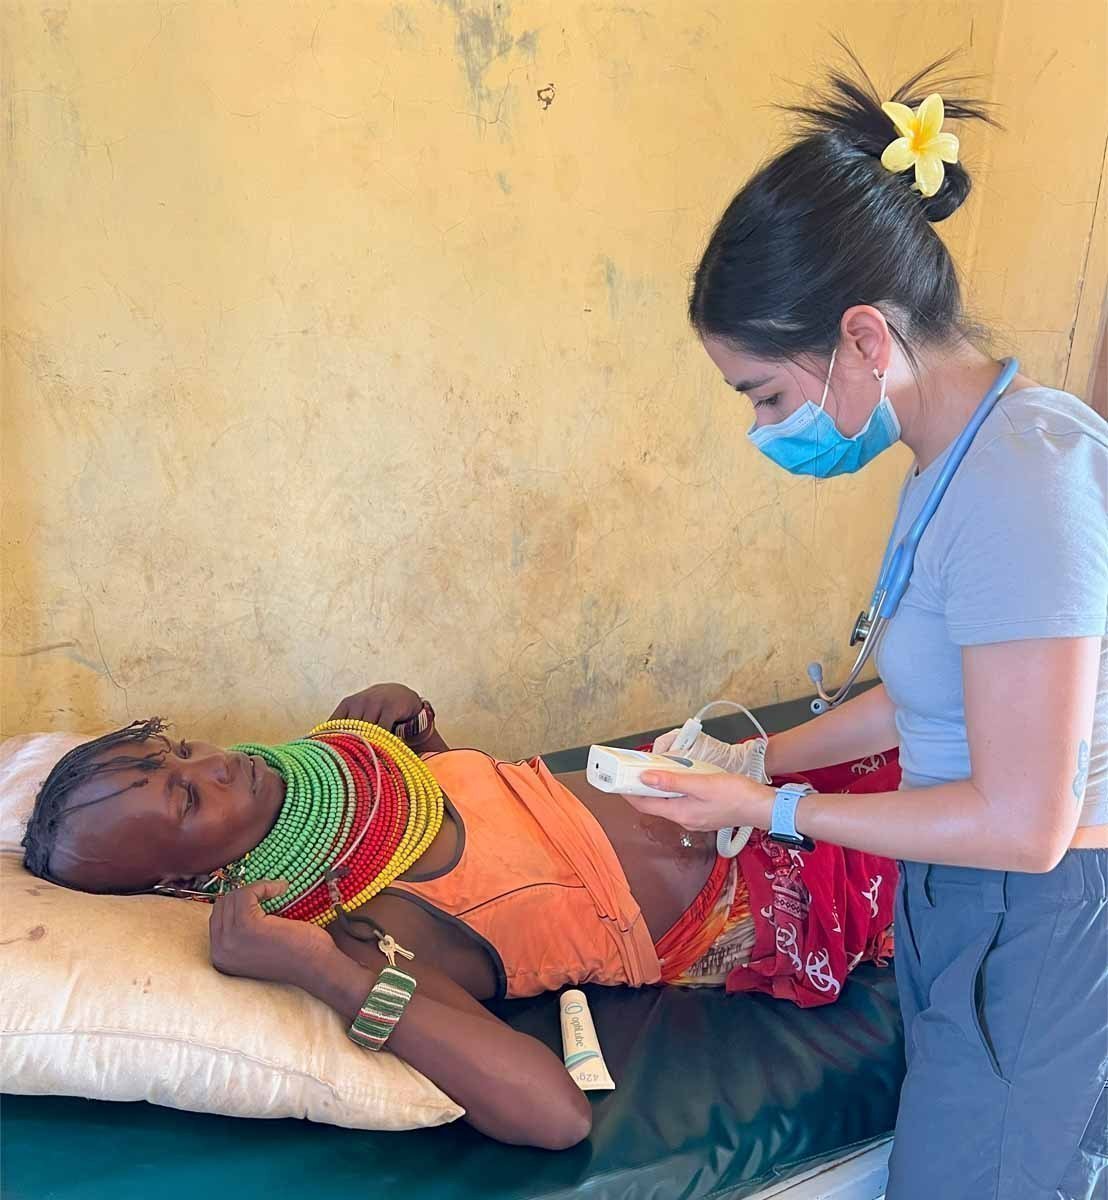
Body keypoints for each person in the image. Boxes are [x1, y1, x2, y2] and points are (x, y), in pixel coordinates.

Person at [635, 54, 1108, 1200]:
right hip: (968, 900)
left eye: (765, 394)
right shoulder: (953, 460)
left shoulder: (1022, 482)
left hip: (1034, 912)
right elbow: (928, 699)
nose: (764, 428)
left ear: (861, 338)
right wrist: (754, 757)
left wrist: (772, 811)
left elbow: (1025, 825)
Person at [20, 682, 894, 1151]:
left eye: (180, 753)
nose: (212, 767)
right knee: (963, 822)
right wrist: (318, 971)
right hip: (769, 884)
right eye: (184, 802)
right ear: (187, 880)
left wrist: (423, 741)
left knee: (940, 728)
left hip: (726, 781)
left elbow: (509, 843)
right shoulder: (361, 929)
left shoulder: (354, 772)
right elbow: (556, 1116)